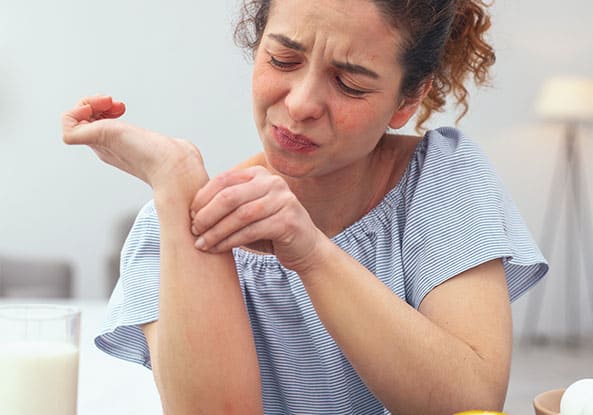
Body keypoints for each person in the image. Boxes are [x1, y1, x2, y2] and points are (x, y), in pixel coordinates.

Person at [62, 0, 548, 413]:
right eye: (282, 60)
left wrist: (311, 252)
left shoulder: (440, 178)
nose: (301, 104)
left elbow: (471, 401)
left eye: (350, 85)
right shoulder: (166, 227)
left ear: (407, 100)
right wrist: (176, 177)